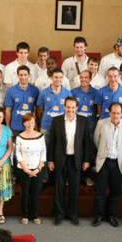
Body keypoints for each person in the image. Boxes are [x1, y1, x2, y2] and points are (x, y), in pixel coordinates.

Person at [48, 97, 91, 226]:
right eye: (68, 107)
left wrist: (86, 160)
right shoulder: (56, 120)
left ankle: (73, 215)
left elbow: (86, 142)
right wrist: (50, 160)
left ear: (76, 108)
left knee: (74, 189)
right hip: (60, 158)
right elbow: (52, 142)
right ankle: (59, 215)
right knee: (59, 189)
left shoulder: (83, 120)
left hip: (76, 160)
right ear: (64, 106)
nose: (70, 110)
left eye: (73, 107)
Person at [92, 102, 122, 227]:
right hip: (103, 162)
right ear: (109, 113)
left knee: (115, 192)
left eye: (118, 113)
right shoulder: (101, 123)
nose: (115, 115)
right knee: (100, 192)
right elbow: (96, 141)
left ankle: (112, 216)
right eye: (113, 112)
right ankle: (99, 216)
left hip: (118, 163)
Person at [15, 113, 46, 225]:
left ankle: (35, 215)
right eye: (28, 122)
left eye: (32, 122)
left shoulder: (40, 136)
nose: (30, 124)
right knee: (25, 193)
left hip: (38, 169)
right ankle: (25, 215)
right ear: (24, 123)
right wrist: (26, 169)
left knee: (36, 192)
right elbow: (18, 154)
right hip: (23, 169)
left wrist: (38, 169)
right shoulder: (19, 137)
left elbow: (43, 153)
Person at [71, 69, 98, 187]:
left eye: (86, 77)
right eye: (81, 77)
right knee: (76, 150)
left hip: (91, 125)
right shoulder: (73, 92)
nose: (83, 80)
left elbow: (98, 109)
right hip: (77, 125)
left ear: (90, 79)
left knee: (89, 151)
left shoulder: (96, 92)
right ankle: (75, 176)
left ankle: (87, 176)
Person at [36, 69, 72, 143]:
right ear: (51, 78)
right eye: (56, 77)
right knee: (45, 150)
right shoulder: (43, 93)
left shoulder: (68, 93)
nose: (58, 79)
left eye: (60, 77)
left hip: (62, 127)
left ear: (63, 78)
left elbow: (70, 111)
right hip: (46, 127)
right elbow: (40, 110)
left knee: (60, 151)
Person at [5, 65, 39, 138]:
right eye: (21, 75)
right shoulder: (11, 91)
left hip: (30, 127)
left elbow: (36, 110)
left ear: (29, 75)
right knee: (16, 149)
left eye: (25, 75)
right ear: (17, 76)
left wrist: (35, 126)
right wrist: (8, 127)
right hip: (15, 127)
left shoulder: (35, 90)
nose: (23, 77)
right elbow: (8, 110)